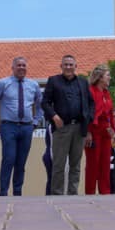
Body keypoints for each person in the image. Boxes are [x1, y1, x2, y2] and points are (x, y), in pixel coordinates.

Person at [0, 56, 44, 196]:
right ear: (13, 68)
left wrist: (36, 121)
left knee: (21, 162)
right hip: (9, 127)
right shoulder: (3, 83)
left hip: (27, 127)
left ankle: (18, 193)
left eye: (24, 65)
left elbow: (41, 105)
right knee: (9, 159)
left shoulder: (33, 85)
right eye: (18, 65)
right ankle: (3, 193)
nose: (21, 68)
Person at [42, 55, 95, 195]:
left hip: (79, 128)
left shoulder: (83, 82)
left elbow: (91, 103)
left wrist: (88, 118)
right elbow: (45, 102)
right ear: (61, 66)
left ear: (75, 66)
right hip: (61, 128)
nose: (68, 67)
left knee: (75, 165)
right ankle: (57, 194)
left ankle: (73, 194)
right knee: (59, 165)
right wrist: (54, 116)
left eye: (71, 64)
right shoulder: (54, 81)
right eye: (65, 64)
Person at [84, 65, 115, 195]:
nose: (110, 78)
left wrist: (113, 131)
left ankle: (105, 192)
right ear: (100, 77)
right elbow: (87, 113)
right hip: (94, 130)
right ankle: (90, 192)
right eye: (108, 75)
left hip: (105, 131)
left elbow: (110, 113)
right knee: (93, 164)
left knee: (105, 163)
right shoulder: (90, 91)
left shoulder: (106, 93)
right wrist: (88, 132)